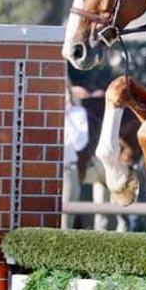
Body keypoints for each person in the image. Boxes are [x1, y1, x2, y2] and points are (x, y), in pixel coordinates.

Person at [62, 85, 90, 230]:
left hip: (69, 168)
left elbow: (80, 144)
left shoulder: (78, 113)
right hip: (50, 168)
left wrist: (67, 117)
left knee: (69, 212)